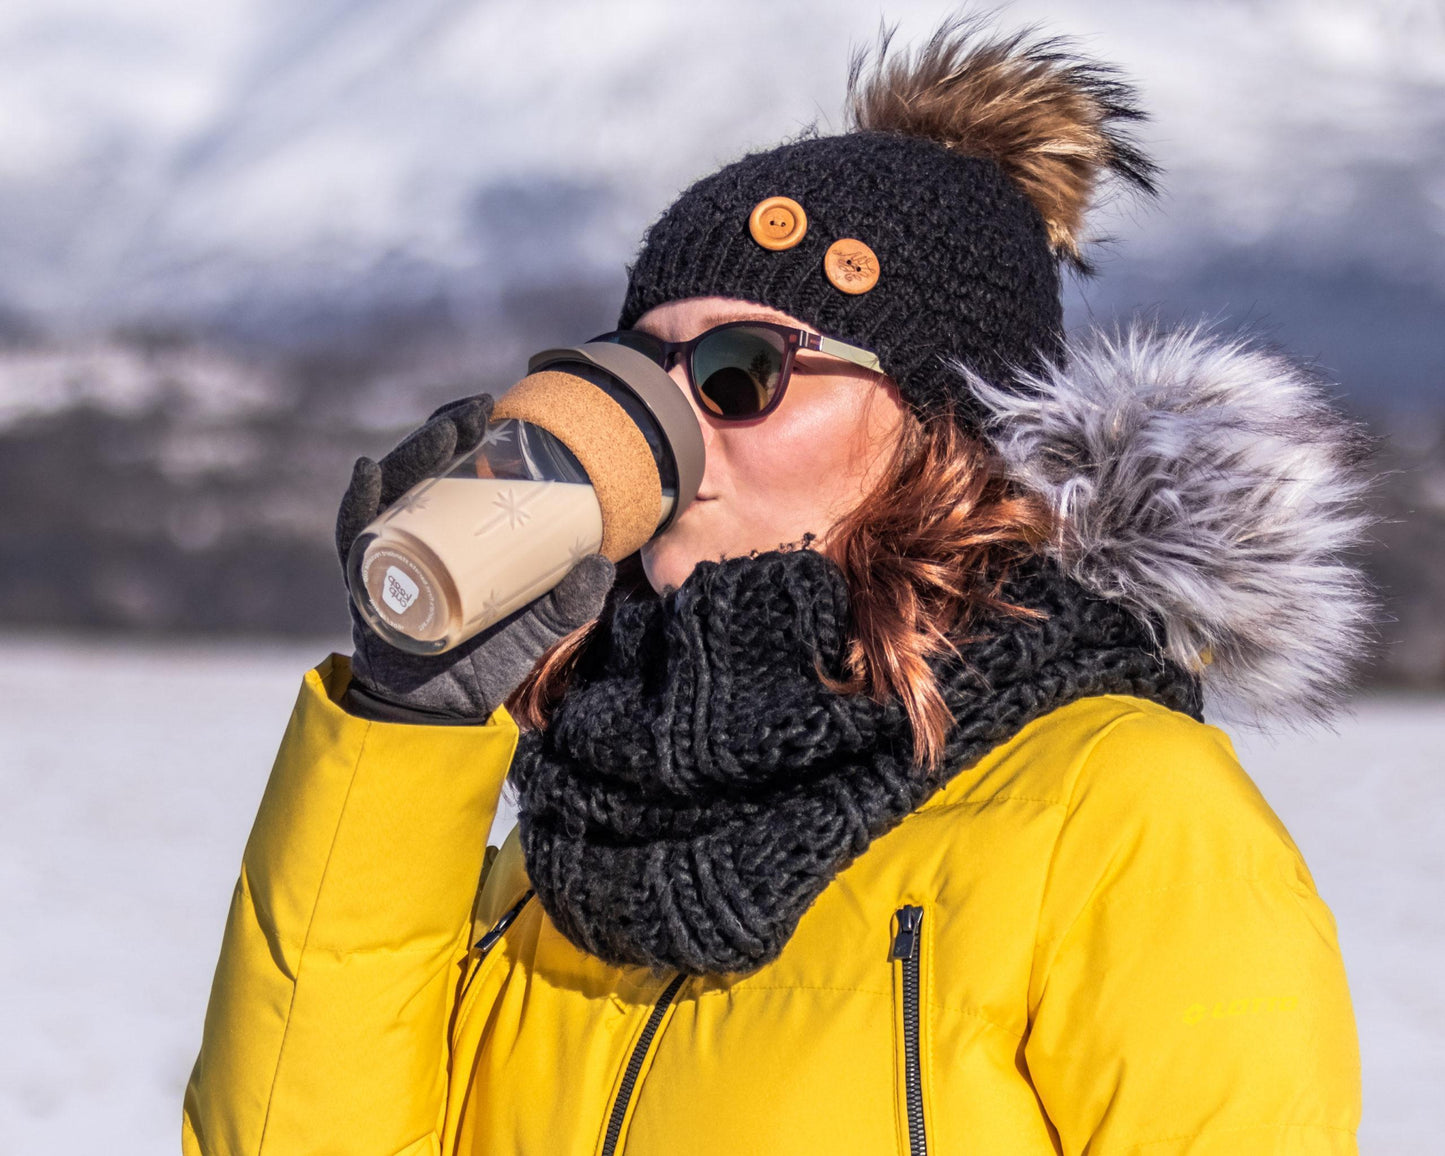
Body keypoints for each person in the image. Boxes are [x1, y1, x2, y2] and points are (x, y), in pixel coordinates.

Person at [183, 17, 1373, 1155]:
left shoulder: (1123, 820)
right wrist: (404, 724)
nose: (671, 433)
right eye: (637, 371)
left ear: (941, 429)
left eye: (737, 371)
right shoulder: (569, 832)